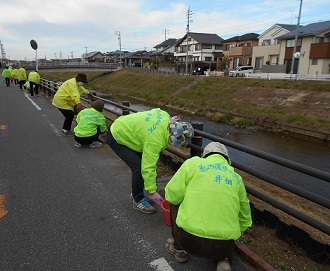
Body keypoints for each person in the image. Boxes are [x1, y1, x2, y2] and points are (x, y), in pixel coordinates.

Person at [164, 142, 252, 271]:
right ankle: (224, 261)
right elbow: (245, 213)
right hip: (223, 246)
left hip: (188, 240)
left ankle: (179, 250)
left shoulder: (192, 164)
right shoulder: (236, 178)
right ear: (227, 159)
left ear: (205, 155)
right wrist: (241, 228)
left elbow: (172, 195)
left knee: (175, 202)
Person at [106, 108, 194, 214]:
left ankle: (136, 193)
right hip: (117, 135)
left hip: (126, 128)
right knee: (138, 167)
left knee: (140, 164)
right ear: (173, 138)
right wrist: (152, 191)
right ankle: (137, 200)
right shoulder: (155, 141)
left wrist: (172, 120)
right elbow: (148, 167)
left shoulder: (165, 116)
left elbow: (157, 110)